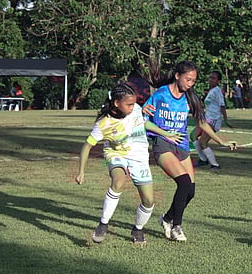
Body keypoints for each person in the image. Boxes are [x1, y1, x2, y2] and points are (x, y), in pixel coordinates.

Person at [75, 83, 182, 245]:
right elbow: (87, 145)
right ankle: (103, 224)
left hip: (139, 157)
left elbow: (145, 124)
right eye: (129, 104)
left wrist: (167, 134)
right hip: (116, 154)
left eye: (134, 104)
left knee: (148, 201)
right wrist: (81, 171)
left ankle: (137, 229)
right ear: (117, 103)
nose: (133, 107)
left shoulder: (136, 109)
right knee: (118, 181)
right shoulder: (103, 123)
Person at [143, 60, 237, 242]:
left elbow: (202, 121)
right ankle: (176, 227)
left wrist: (222, 142)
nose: (190, 84)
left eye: (193, 81)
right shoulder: (161, 94)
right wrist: (162, 132)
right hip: (162, 144)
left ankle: (167, 218)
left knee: (190, 191)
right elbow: (144, 118)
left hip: (182, 146)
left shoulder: (190, 97)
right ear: (177, 76)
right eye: (188, 79)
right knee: (184, 182)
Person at [195, 71, 229, 170]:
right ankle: (203, 159)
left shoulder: (217, 91)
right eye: (210, 77)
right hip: (206, 119)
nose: (210, 79)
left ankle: (215, 165)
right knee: (194, 136)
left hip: (213, 120)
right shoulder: (211, 90)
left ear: (218, 81)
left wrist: (226, 119)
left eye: (213, 78)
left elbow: (222, 106)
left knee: (203, 142)